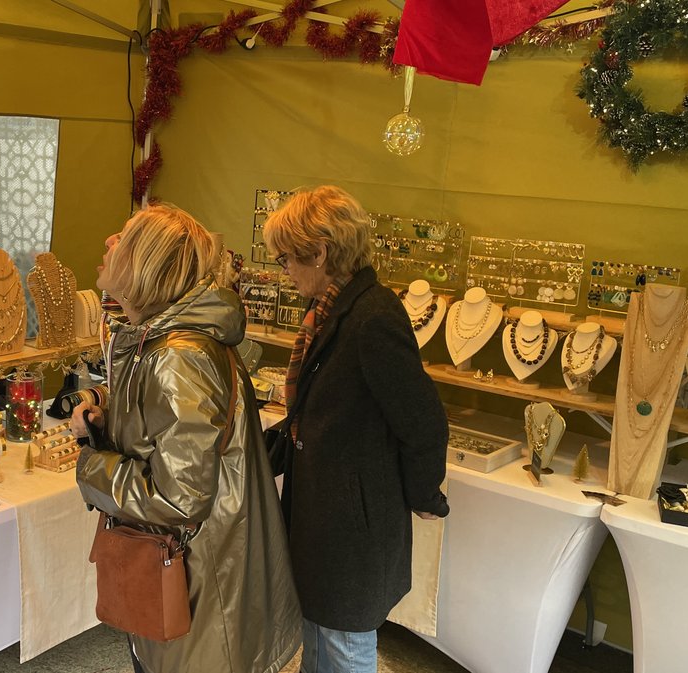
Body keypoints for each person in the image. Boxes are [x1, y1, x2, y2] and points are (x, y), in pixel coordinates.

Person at [71, 204, 301, 673]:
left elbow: (179, 498)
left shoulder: (179, 354)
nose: (109, 241)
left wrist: (91, 467)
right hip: (192, 569)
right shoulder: (164, 339)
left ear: (144, 265)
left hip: (199, 579)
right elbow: (166, 425)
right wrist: (107, 408)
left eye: (125, 237)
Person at [262, 185, 449, 673]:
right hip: (326, 518)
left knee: (344, 651)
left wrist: (425, 493)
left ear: (320, 252)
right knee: (320, 641)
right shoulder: (330, 313)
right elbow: (318, 415)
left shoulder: (372, 316)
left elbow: (422, 418)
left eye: (285, 259)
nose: (283, 272)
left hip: (351, 525)